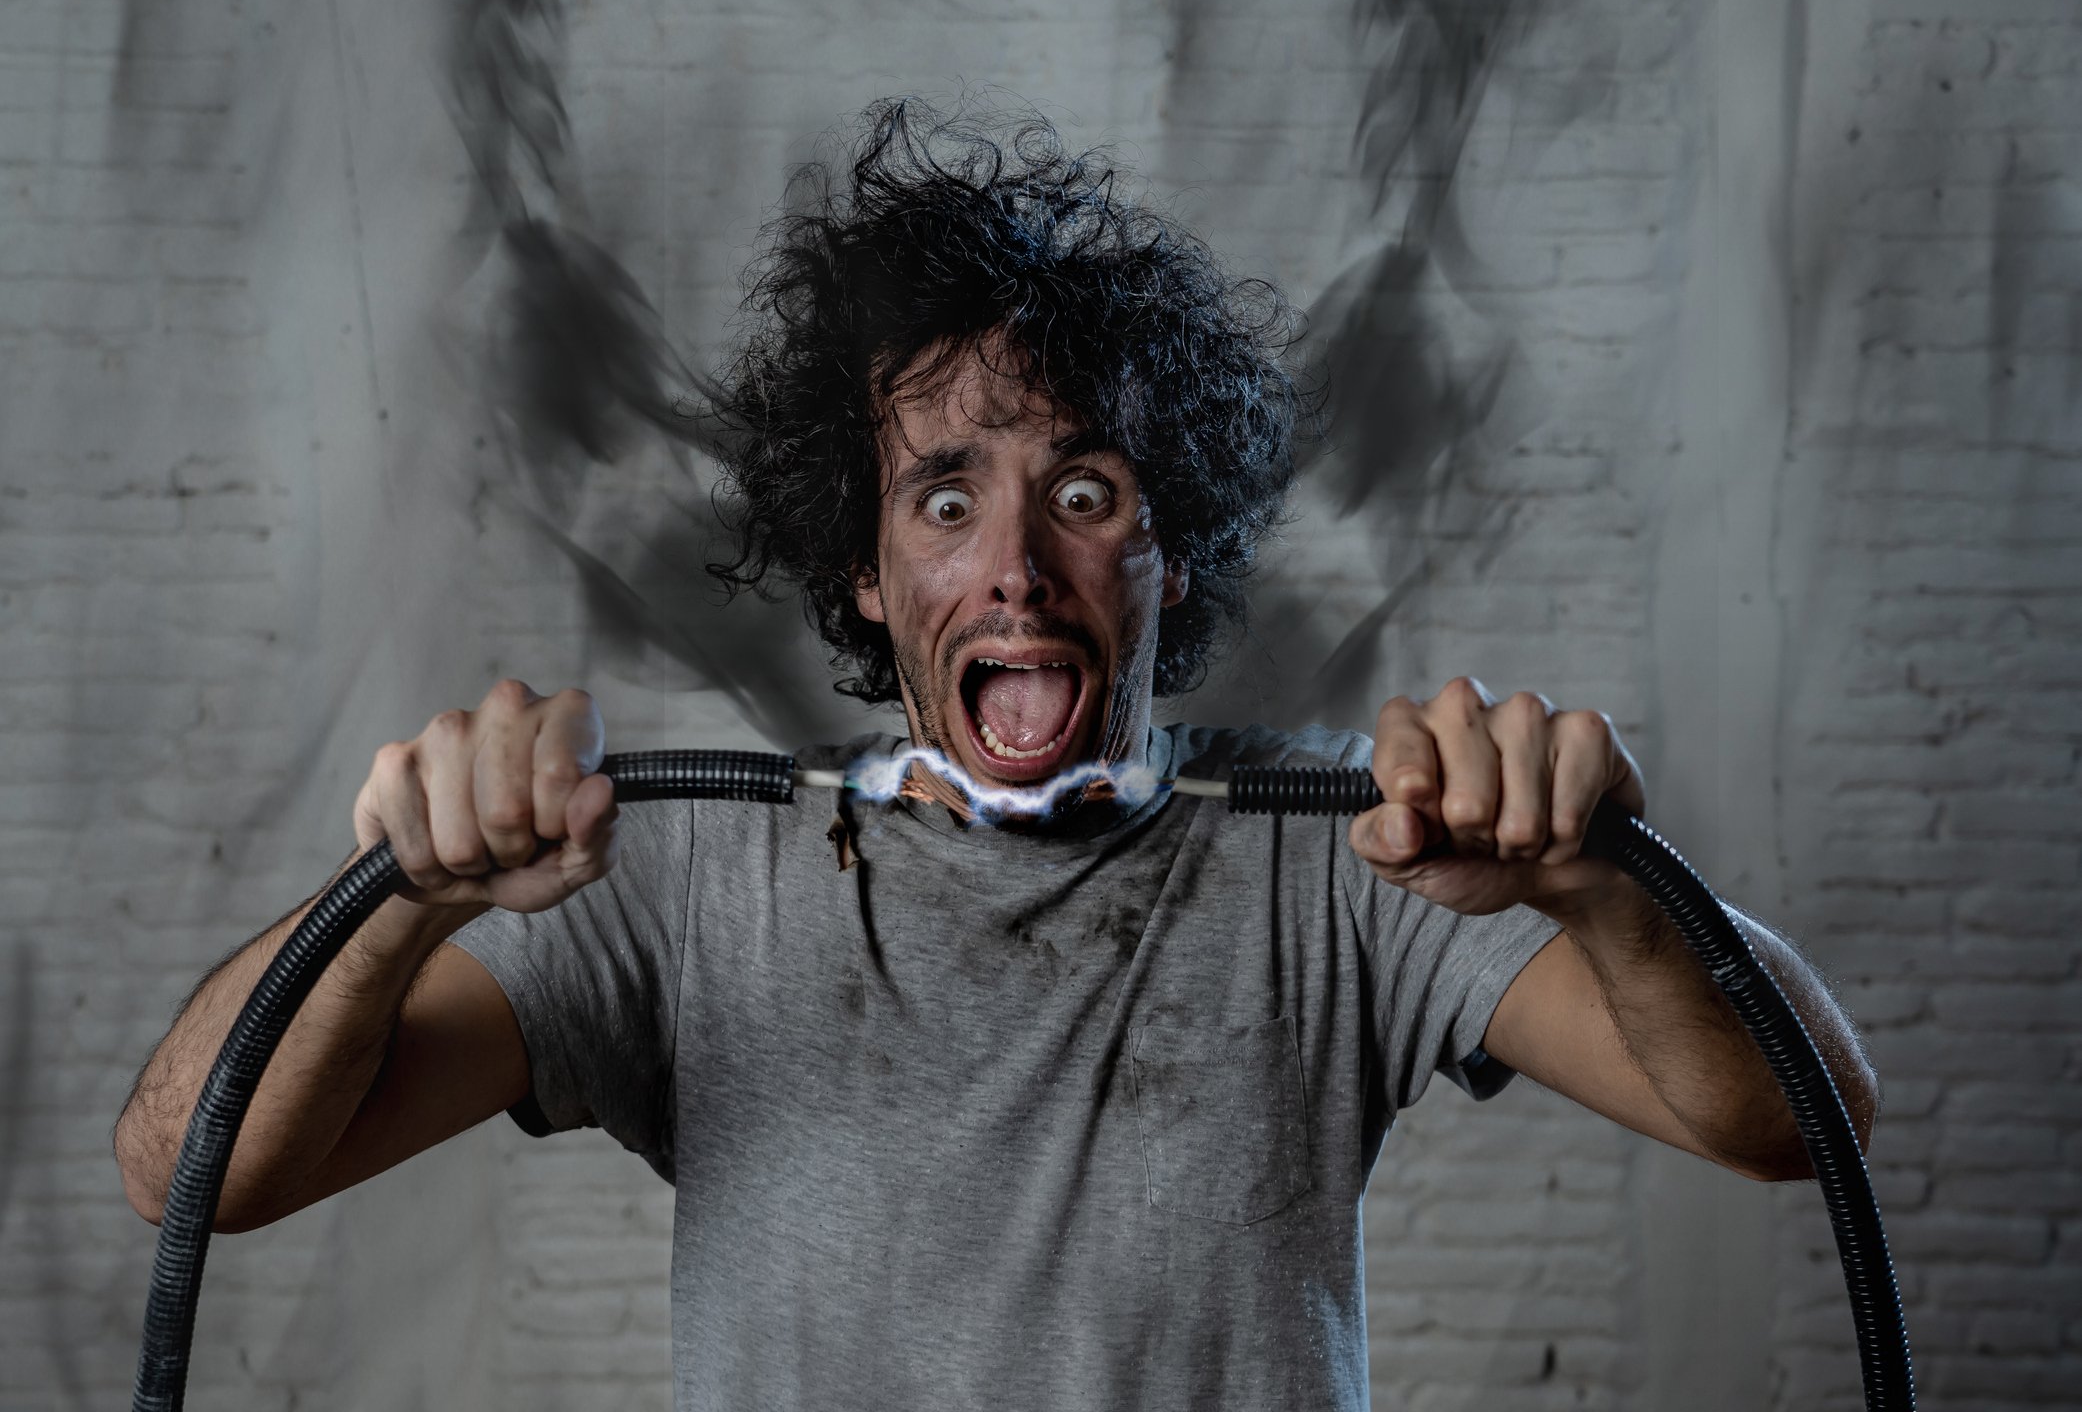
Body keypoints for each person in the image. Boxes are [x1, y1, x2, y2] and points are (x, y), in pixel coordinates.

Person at [114, 101, 1877, 1409]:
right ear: (866, 576)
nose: (1016, 566)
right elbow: (189, 1168)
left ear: (1164, 552)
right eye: (944, 498)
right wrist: (402, 903)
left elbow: (1804, 1123)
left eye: (1084, 494)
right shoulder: (679, 881)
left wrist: (1593, 888)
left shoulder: (1356, 848)